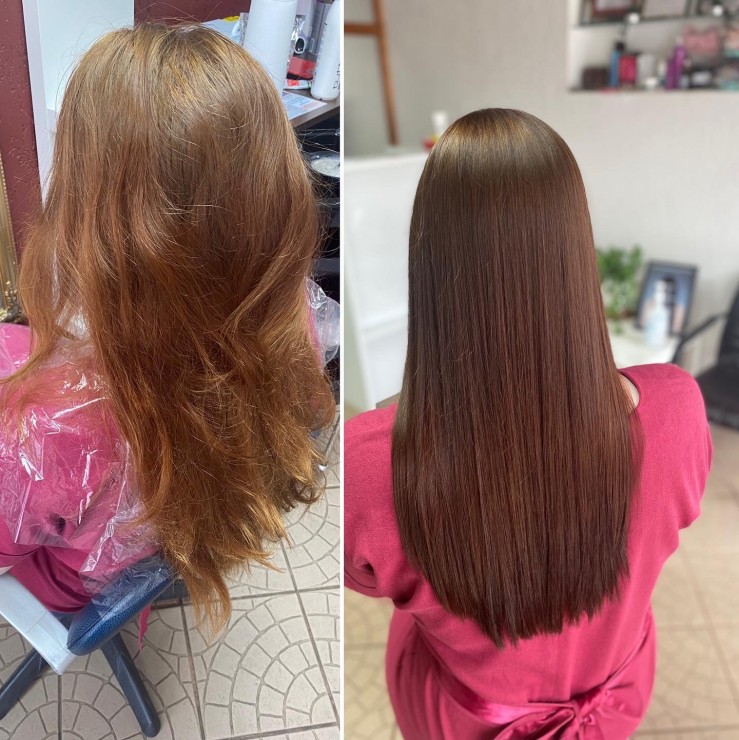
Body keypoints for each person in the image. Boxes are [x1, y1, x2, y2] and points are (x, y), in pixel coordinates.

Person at [344, 109, 711, 739]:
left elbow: (367, 576)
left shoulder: (369, 468)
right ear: (575, 250)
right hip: (614, 700)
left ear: (430, 266)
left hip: (463, 721)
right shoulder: (677, 411)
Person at [0, 23, 336, 633]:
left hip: (72, 581)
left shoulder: (41, 422)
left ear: (85, 198)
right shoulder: (293, 329)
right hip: (160, 543)